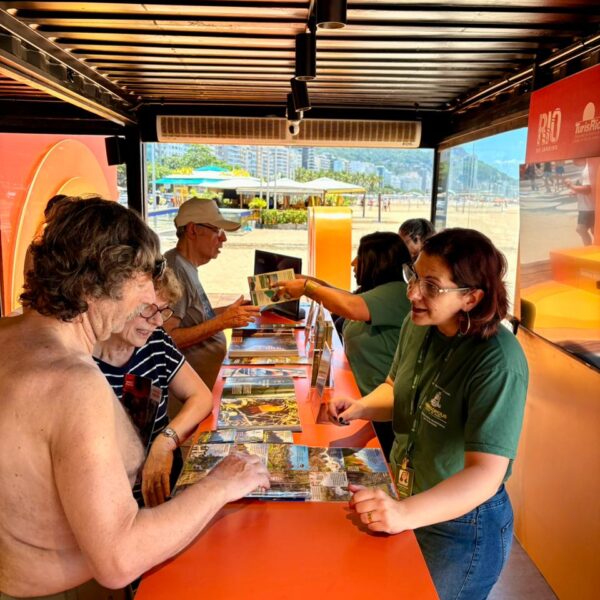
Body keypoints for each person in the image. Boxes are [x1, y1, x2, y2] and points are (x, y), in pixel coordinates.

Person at [0, 197, 269, 599]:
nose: (149, 296)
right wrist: (221, 484)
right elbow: (119, 559)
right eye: (143, 278)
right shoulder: (74, 383)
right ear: (103, 281)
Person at [329, 228, 528, 600]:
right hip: (408, 497)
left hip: (461, 525)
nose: (412, 293)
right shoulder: (418, 324)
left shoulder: (498, 360)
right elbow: (396, 387)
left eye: (431, 287)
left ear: (471, 297)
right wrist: (361, 407)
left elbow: (485, 474)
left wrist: (403, 514)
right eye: (414, 276)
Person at [273, 231, 412, 457]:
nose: (353, 263)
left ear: (377, 262)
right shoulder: (376, 293)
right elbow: (342, 295)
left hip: (381, 411)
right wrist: (306, 281)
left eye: (360, 257)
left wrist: (307, 287)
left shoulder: (395, 293)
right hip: (360, 400)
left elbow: (350, 306)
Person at [93, 267, 213, 508]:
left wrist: (165, 442)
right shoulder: (82, 366)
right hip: (114, 505)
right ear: (113, 304)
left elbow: (201, 396)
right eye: (147, 309)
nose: (158, 322)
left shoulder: (155, 341)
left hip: (167, 488)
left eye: (162, 310)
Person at [164, 198, 260, 389]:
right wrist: (222, 322)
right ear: (193, 230)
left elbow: (196, 317)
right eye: (217, 230)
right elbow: (167, 338)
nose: (223, 238)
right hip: (189, 394)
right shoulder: (175, 270)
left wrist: (228, 311)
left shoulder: (183, 264)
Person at [565, 158, 595, 246]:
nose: (572, 160)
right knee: (594, 231)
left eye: (573, 158)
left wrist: (572, 186)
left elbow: (587, 189)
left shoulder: (586, 170)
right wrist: (575, 191)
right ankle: (590, 249)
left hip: (589, 207)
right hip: (587, 207)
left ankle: (589, 249)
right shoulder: (584, 169)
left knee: (581, 229)